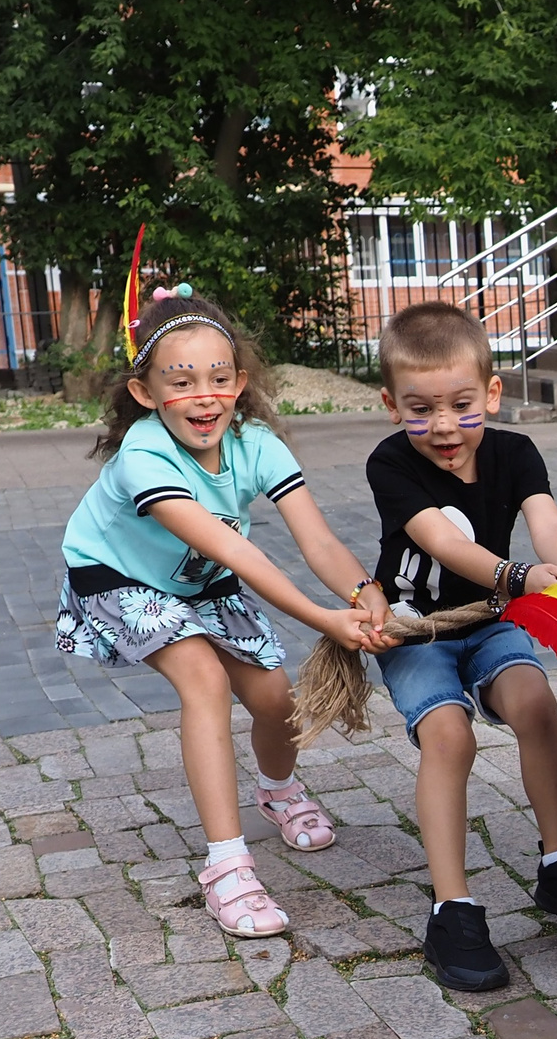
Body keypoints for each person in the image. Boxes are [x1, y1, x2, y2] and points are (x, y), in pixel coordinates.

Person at [57, 289, 389, 938]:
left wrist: (361, 590)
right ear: (146, 392)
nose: (204, 396)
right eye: (181, 382)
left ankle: (278, 791)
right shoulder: (144, 455)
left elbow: (317, 540)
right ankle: (227, 866)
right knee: (204, 680)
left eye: (218, 379)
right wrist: (324, 619)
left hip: (200, 583)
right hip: (119, 576)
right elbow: (234, 547)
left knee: (274, 699)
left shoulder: (256, 443)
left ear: (240, 381)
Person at [365, 301, 557, 993]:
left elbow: (547, 522)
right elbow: (446, 544)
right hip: (418, 628)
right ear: (392, 405)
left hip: (490, 620)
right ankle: (452, 910)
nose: (444, 425)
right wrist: (522, 578)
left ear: (492, 392)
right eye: (421, 408)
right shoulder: (390, 462)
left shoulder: (515, 452)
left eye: (460, 403)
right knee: (450, 737)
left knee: (534, 700)